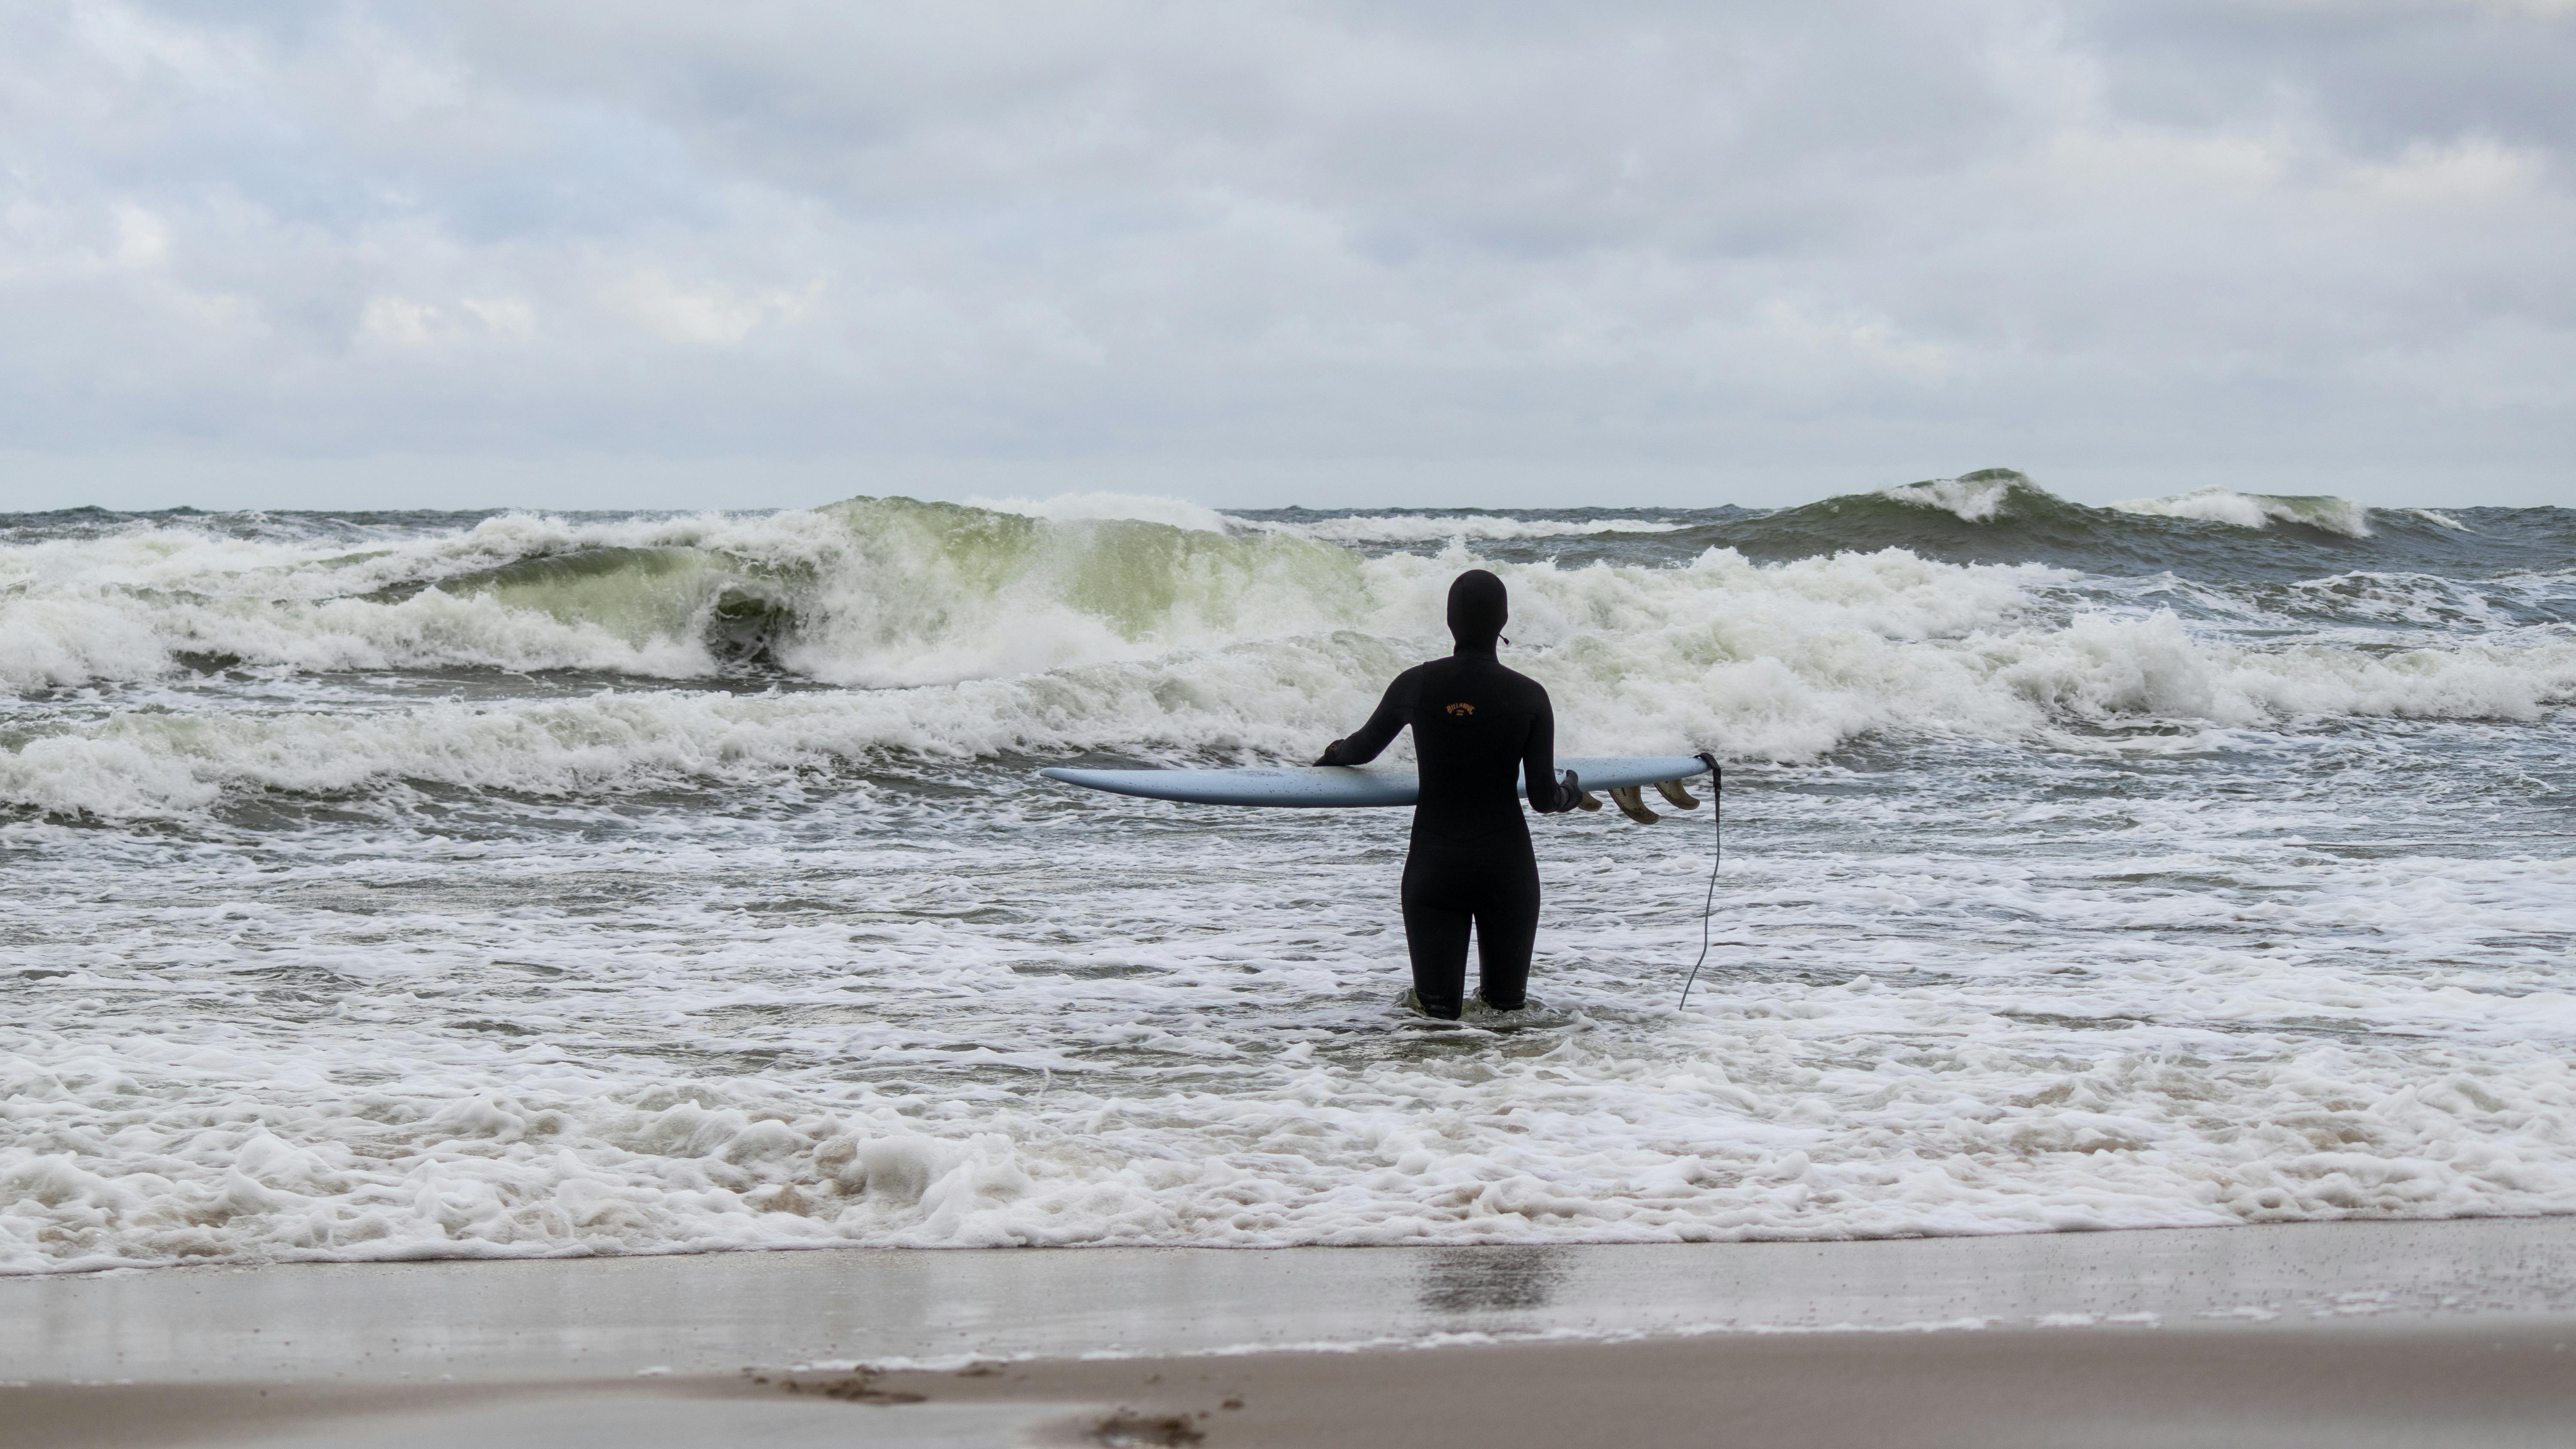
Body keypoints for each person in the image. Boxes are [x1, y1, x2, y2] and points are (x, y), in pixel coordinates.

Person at [1314, 569, 1583, 1019]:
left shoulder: (1415, 684)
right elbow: (1541, 797)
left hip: (1434, 869)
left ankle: (1438, 1090)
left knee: (1435, 1020)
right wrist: (1570, 793)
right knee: (1507, 1016)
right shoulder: (1530, 696)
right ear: (1504, 621)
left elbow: (1360, 750)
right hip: (1507, 871)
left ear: (1449, 621)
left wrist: (1330, 755)